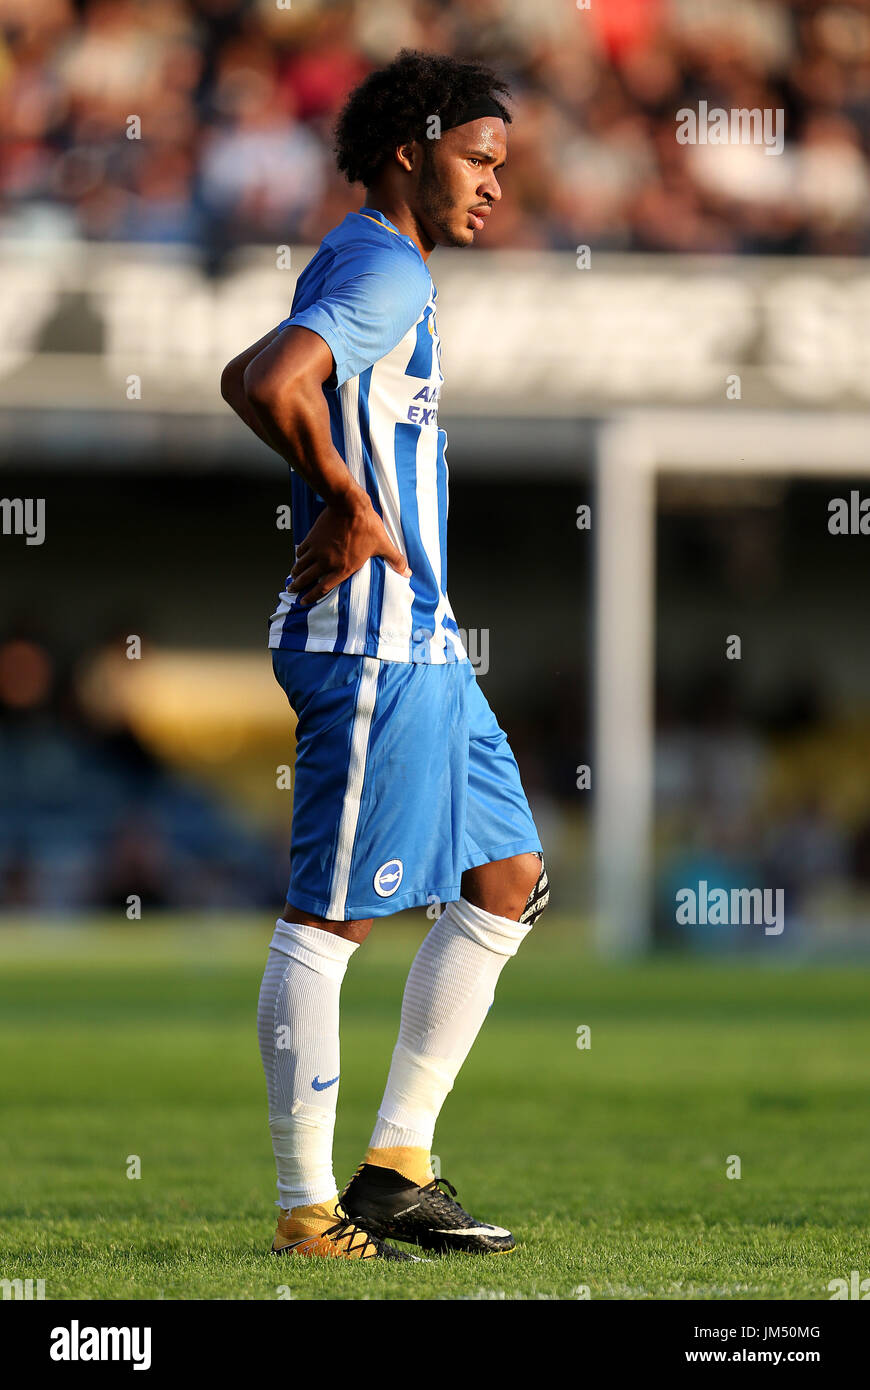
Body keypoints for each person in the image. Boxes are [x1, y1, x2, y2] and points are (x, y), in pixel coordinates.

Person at [221, 49, 549, 1263]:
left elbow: (241, 378)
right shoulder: (384, 260)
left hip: (425, 645)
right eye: (478, 159)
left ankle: (397, 1165)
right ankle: (309, 1209)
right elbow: (268, 378)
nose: (494, 188)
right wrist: (351, 504)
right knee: (331, 923)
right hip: (370, 645)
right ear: (411, 149)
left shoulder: (374, 262)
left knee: (505, 876)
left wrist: (333, 486)